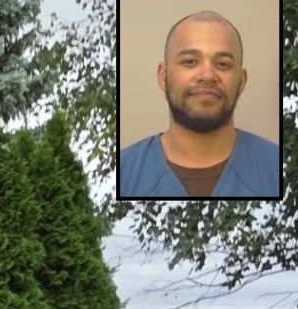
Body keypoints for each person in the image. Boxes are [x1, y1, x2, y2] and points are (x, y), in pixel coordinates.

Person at [119, 10, 279, 199]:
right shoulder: (123, 171)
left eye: (223, 64)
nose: (207, 76)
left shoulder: (277, 167)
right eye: (190, 62)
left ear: (241, 81)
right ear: (163, 76)